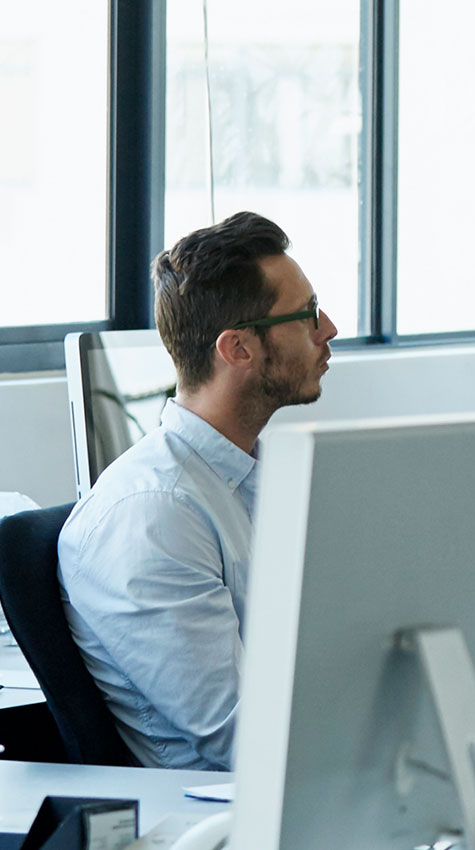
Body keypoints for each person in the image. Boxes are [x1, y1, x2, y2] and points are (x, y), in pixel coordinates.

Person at [58, 212, 339, 770]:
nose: (327, 328)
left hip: (329, 782)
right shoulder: (154, 515)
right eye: (306, 314)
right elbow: (245, 739)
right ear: (237, 349)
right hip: (234, 817)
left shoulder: (258, 479)